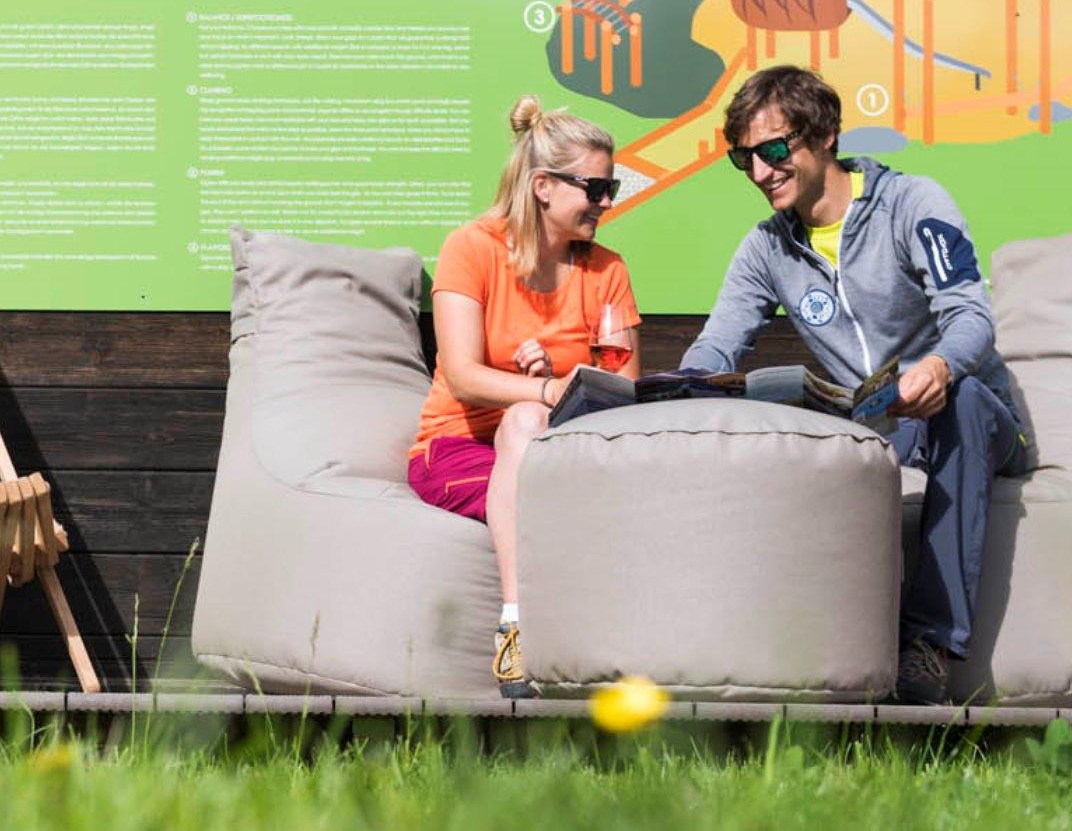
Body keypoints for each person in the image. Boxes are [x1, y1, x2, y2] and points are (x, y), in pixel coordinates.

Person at [679, 64, 1033, 704]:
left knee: (963, 400)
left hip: (974, 419)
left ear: (825, 137)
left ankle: (928, 648)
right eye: (743, 159)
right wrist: (671, 392)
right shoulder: (766, 249)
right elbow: (717, 345)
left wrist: (940, 367)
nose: (759, 172)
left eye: (774, 150)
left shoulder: (913, 204)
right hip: (880, 430)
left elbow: (971, 317)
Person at [410, 97, 639, 697]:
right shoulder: (472, 248)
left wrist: (554, 382)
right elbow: (463, 376)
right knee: (526, 424)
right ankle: (518, 629)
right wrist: (544, 388)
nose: (606, 202)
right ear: (543, 187)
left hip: (556, 445)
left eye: (611, 188)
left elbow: (623, 389)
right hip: (458, 449)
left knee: (530, 423)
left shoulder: (609, 271)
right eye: (595, 188)